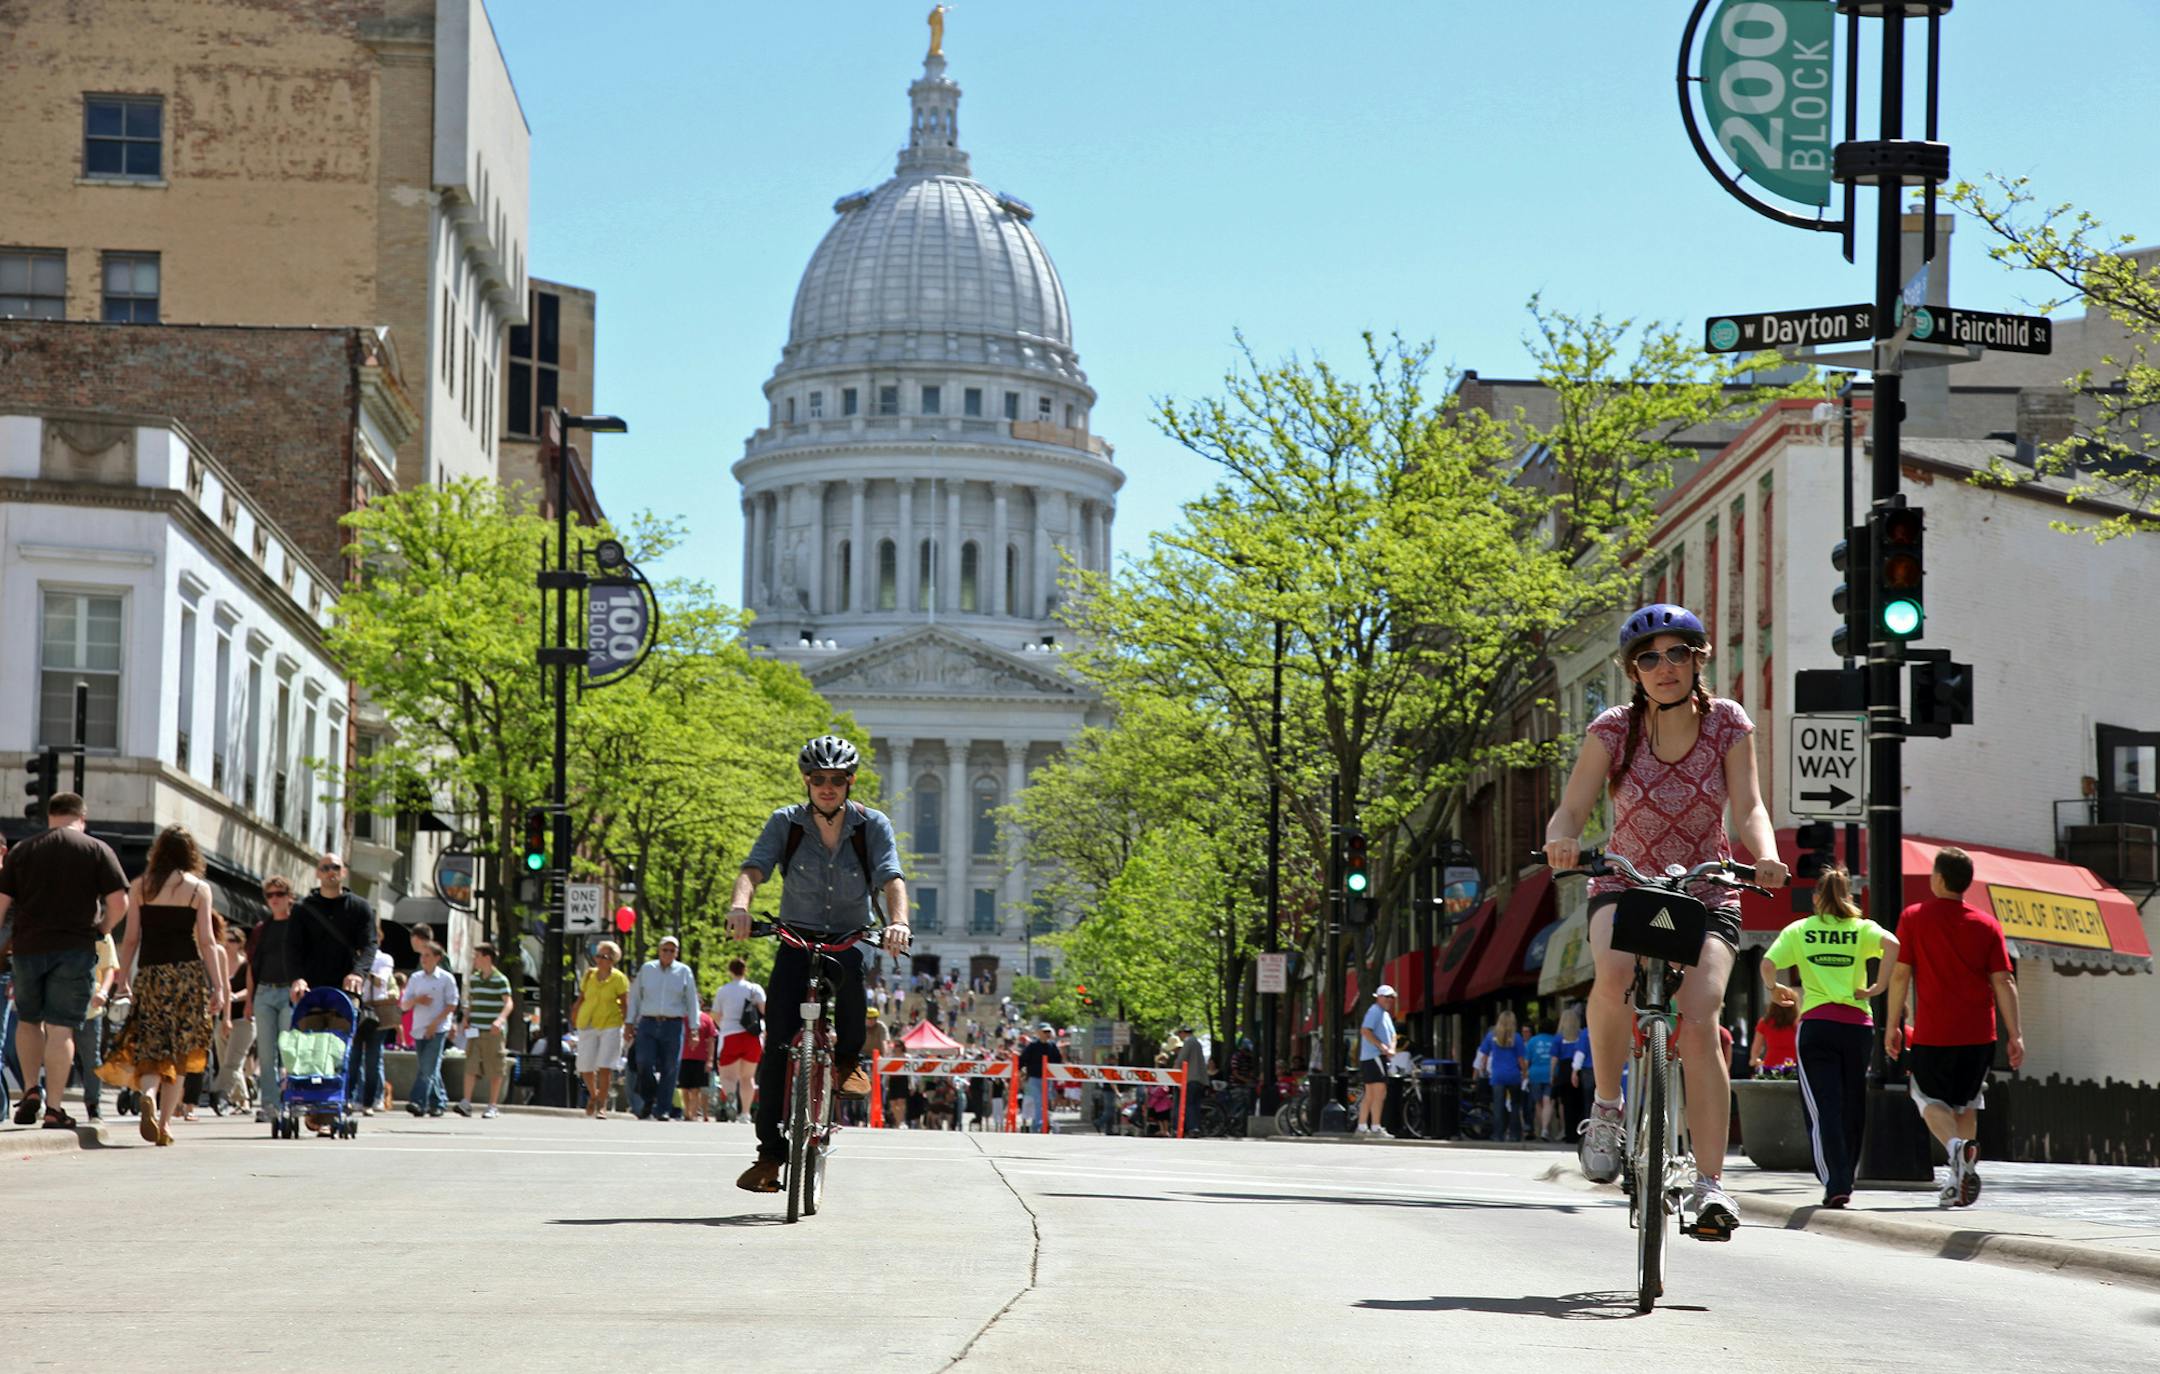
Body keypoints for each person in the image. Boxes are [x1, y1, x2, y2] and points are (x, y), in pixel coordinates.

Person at [1544, 603, 1788, 1241]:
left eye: (1676, 652)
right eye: (1648, 657)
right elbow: (1570, 811)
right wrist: (1562, 841)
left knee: (1702, 1014)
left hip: (1707, 888)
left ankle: (1711, 1185)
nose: (1663, 667)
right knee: (1614, 968)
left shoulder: (1727, 723)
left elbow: (1751, 805)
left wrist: (1763, 855)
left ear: (1698, 659)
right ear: (1633, 671)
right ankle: (1605, 1108)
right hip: (1624, 880)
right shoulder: (1612, 730)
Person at [727, 735, 910, 1192]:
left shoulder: (872, 826)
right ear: (807, 781)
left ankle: (847, 1061)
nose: (826, 787)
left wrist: (899, 922)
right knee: (774, 1051)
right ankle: (769, 1156)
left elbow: (891, 877)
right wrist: (740, 907)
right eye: (818, 779)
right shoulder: (785, 824)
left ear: (849, 783)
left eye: (836, 780)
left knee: (851, 995)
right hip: (796, 937)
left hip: (849, 938)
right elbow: (754, 869)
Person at [1885, 847, 2024, 1210]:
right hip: (1980, 1035)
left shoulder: (1914, 917)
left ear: (1940, 879)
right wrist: (2016, 1034)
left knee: (1926, 1099)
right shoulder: (1987, 924)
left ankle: (1955, 1149)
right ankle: (1958, 1178)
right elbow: (2004, 981)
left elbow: (1900, 974)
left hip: (1934, 1033)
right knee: (1967, 1106)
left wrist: (1893, 1025)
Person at [1761, 864, 1897, 1207]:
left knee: (1824, 1107)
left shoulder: (1800, 929)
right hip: (1858, 1026)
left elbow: (1767, 963)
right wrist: (1877, 986)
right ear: (1847, 896)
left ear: (1816, 897)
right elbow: (1893, 944)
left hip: (1817, 1024)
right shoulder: (1861, 928)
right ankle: (1845, 1177)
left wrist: (1773, 988)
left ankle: (1835, 1180)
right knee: (1853, 1104)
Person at [0, 792, 130, 1130]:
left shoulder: (22, 850)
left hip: (28, 947)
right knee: (61, 1027)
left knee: (29, 1020)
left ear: (50, 815)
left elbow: (1, 906)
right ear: (81, 818)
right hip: (75, 948)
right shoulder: (97, 850)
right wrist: (103, 929)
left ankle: (30, 1090)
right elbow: (120, 902)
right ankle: (55, 1107)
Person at [99, 827, 219, 1146]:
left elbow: (132, 939)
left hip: (151, 975)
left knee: (151, 1044)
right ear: (191, 854)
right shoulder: (198, 890)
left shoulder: (141, 887)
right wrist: (219, 986)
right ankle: (164, 1125)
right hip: (188, 977)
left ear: (159, 851)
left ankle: (148, 1093)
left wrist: (122, 978)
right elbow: (207, 942)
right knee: (180, 1050)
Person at [243, 877, 302, 1122]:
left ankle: (296, 1101)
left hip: (290, 992)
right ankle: (270, 1105)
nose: (274, 899)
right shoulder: (261, 929)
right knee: (266, 1054)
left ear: (290, 896)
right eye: (269, 895)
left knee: (291, 1051)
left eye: (279, 894)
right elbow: (251, 966)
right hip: (264, 993)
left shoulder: (299, 925)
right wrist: (249, 999)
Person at [625, 935, 699, 1120]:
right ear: (659, 951)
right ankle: (649, 1097)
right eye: (665, 950)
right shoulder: (647, 969)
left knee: (670, 1067)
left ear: (677, 953)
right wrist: (629, 1022)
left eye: (672, 950)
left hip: (673, 1024)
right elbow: (635, 996)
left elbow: (691, 1000)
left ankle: (663, 1108)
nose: (668, 953)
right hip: (648, 1022)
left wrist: (694, 1029)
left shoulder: (684, 971)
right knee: (644, 1062)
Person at [455, 942, 514, 1119]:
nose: (474, 960)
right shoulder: (474, 979)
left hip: (493, 1032)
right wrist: (466, 1018)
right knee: (471, 1065)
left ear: (487, 958)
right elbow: (472, 1002)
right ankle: (466, 1102)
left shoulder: (500, 979)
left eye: (477, 956)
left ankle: (493, 1105)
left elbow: (509, 1003)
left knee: (495, 1067)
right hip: (475, 1029)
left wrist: (500, 1020)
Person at [399, 942, 458, 1117]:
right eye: (422, 955)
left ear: (437, 958)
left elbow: (452, 1004)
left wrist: (435, 1024)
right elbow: (404, 1005)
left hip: (438, 1029)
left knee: (427, 1067)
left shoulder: (446, 978)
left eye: (427, 955)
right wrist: (417, 1000)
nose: (423, 959)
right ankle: (438, 1102)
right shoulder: (416, 978)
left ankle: (418, 1101)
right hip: (419, 1028)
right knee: (430, 1067)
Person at [571, 943, 630, 1117]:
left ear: (612, 960)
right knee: (585, 1065)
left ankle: (602, 1106)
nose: (599, 960)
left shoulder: (619, 978)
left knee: (605, 1066)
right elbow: (581, 997)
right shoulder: (589, 974)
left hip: (610, 1023)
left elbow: (625, 1003)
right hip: (587, 1022)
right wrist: (574, 1012)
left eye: (603, 957)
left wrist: (627, 1025)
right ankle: (594, 1095)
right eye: (598, 956)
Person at [711, 957, 766, 1122]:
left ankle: (731, 1101)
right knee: (748, 1077)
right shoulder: (755, 988)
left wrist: (723, 1026)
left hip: (730, 1035)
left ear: (730, 971)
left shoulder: (723, 990)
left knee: (728, 1077)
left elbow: (715, 1014)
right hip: (752, 1037)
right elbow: (764, 1009)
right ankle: (746, 1113)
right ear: (745, 970)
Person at [208, 926, 252, 1116]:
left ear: (240, 943)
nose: (228, 943)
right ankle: (243, 1101)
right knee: (228, 1061)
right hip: (223, 1018)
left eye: (232, 940)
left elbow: (252, 990)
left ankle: (217, 1092)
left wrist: (234, 996)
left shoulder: (246, 964)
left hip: (243, 1018)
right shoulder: (219, 963)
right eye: (226, 940)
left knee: (232, 1062)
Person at [1474, 1009, 1526, 1142]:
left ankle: (1498, 1134)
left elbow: (1483, 1056)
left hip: (1497, 1076)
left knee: (1498, 1105)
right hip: (1513, 1075)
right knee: (1515, 1105)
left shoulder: (1491, 1036)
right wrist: (1524, 1073)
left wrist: (1483, 1070)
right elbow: (1521, 1059)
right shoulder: (1517, 1037)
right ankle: (1515, 1134)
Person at [1355, 986, 1398, 1136]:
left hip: (1375, 1057)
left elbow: (1393, 1035)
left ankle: (1362, 1127)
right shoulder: (1375, 1011)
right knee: (1379, 1092)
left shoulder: (1384, 1014)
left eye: (1391, 997)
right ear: (1378, 997)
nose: (1389, 1000)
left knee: (1371, 1093)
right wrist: (1383, 1047)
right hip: (1374, 1057)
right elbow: (1365, 1030)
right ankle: (1375, 1127)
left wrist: (1390, 1048)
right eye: (1386, 997)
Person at [1017, 1021, 1062, 1134]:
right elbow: (1022, 1060)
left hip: (1048, 1080)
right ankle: (1038, 1126)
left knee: (1045, 1103)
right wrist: (1020, 1072)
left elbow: (1058, 1061)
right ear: (1039, 1033)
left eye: (1049, 1031)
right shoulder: (1032, 1046)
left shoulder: (1052, 1046)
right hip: (1034, 1078)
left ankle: (1040, 1125)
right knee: (1039, 1102)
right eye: (1045, 1031)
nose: (1047, 1034)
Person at [1552, 1003, 1587, 1139]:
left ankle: (1569, 1133)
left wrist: (1552, 1075)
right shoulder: (1581, 1035)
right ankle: (1581, 1133)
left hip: (1564, 1070)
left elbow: (1554, 1059)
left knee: (1566, 1104)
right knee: (1580, 1102)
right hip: (1579, 1069)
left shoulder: (1558, 1038)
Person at [679, 1006, 718, 1122]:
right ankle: (687, 1111)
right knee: (684, 1088)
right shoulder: (681, 1018)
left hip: (700, 1058)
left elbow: (711, 1040)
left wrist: (710, 1060)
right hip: (683, 1057)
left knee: (696, 1089)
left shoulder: (706, 1019)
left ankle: (693, 1113)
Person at [1525, 1016, 1560, 1142]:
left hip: (1534, 1074)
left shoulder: (1532, 1041)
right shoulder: (1556, 1040)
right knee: (1548, 1102)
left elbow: (1526, 1060)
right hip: (1551, 1074)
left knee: (1538, 1103)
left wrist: (1524, 1075)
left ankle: (1543, 1129)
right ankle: (1545, 1130)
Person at [1750, 997, 1799, 1076]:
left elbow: (1756, 1047)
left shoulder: (1765, 1022)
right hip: (1793, 1065)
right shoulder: (1798, 1023)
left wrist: (1754, 1060)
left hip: (1770, 1065)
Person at [1171, 1023, 1209, 1122]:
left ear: (1183, 1033)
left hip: (1190, 1079)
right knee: (1196, 1104)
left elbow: (1181, 1059)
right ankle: (1196, 1126)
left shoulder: (1188, 1042)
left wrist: (1174, 1071)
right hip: (1200, 1079)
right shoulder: (1197, 1043)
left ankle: (1192, 1127)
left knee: (1189, 1104)